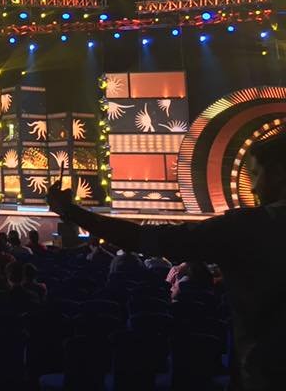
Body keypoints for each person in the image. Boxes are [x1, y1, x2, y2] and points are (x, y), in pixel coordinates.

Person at [46, 133, 286, 391]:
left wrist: (71, 211)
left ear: (279, 172)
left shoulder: (246, 229)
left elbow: (145, 238)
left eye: (256, 174)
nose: (253, 187)